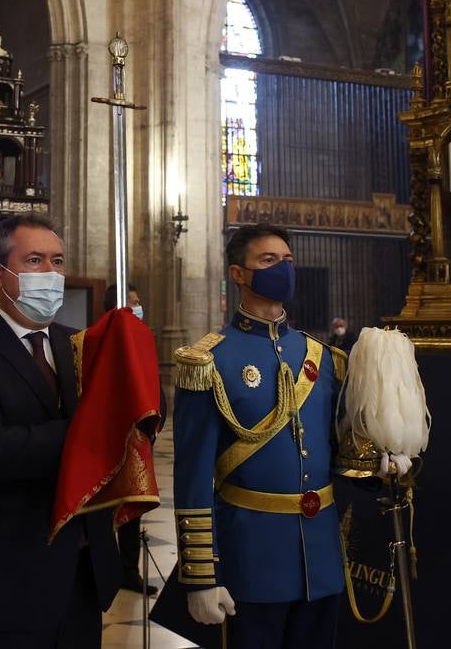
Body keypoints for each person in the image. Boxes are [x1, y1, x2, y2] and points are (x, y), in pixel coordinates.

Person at [0, 213, 120, 648]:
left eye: (57, 261)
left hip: (80, 574)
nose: (51, 273)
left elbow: (129, 420)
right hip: (3, 580)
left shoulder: (80, 345)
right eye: (35, 260)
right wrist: (89, 430)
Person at [171, 224, 347, 649]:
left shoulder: (321, 357)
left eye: (288, 261)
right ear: (239, 274)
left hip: (321, 559)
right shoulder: (209, 360)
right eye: (269, 261)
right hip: (252, 560)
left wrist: (378, 456)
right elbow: (193, 476)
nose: (283, 269)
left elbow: (338, 450)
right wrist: (200, 577)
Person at [103, 282, 162, 596]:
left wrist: (156, 420)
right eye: (132, 302)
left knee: (131, 511)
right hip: (107, 438)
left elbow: (153, 382)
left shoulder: (144, 338)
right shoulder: (98, 339)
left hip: (139, 438)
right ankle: (102, 570)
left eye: (139, 301)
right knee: (102, 511)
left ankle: (129, 571)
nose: (138, 307)